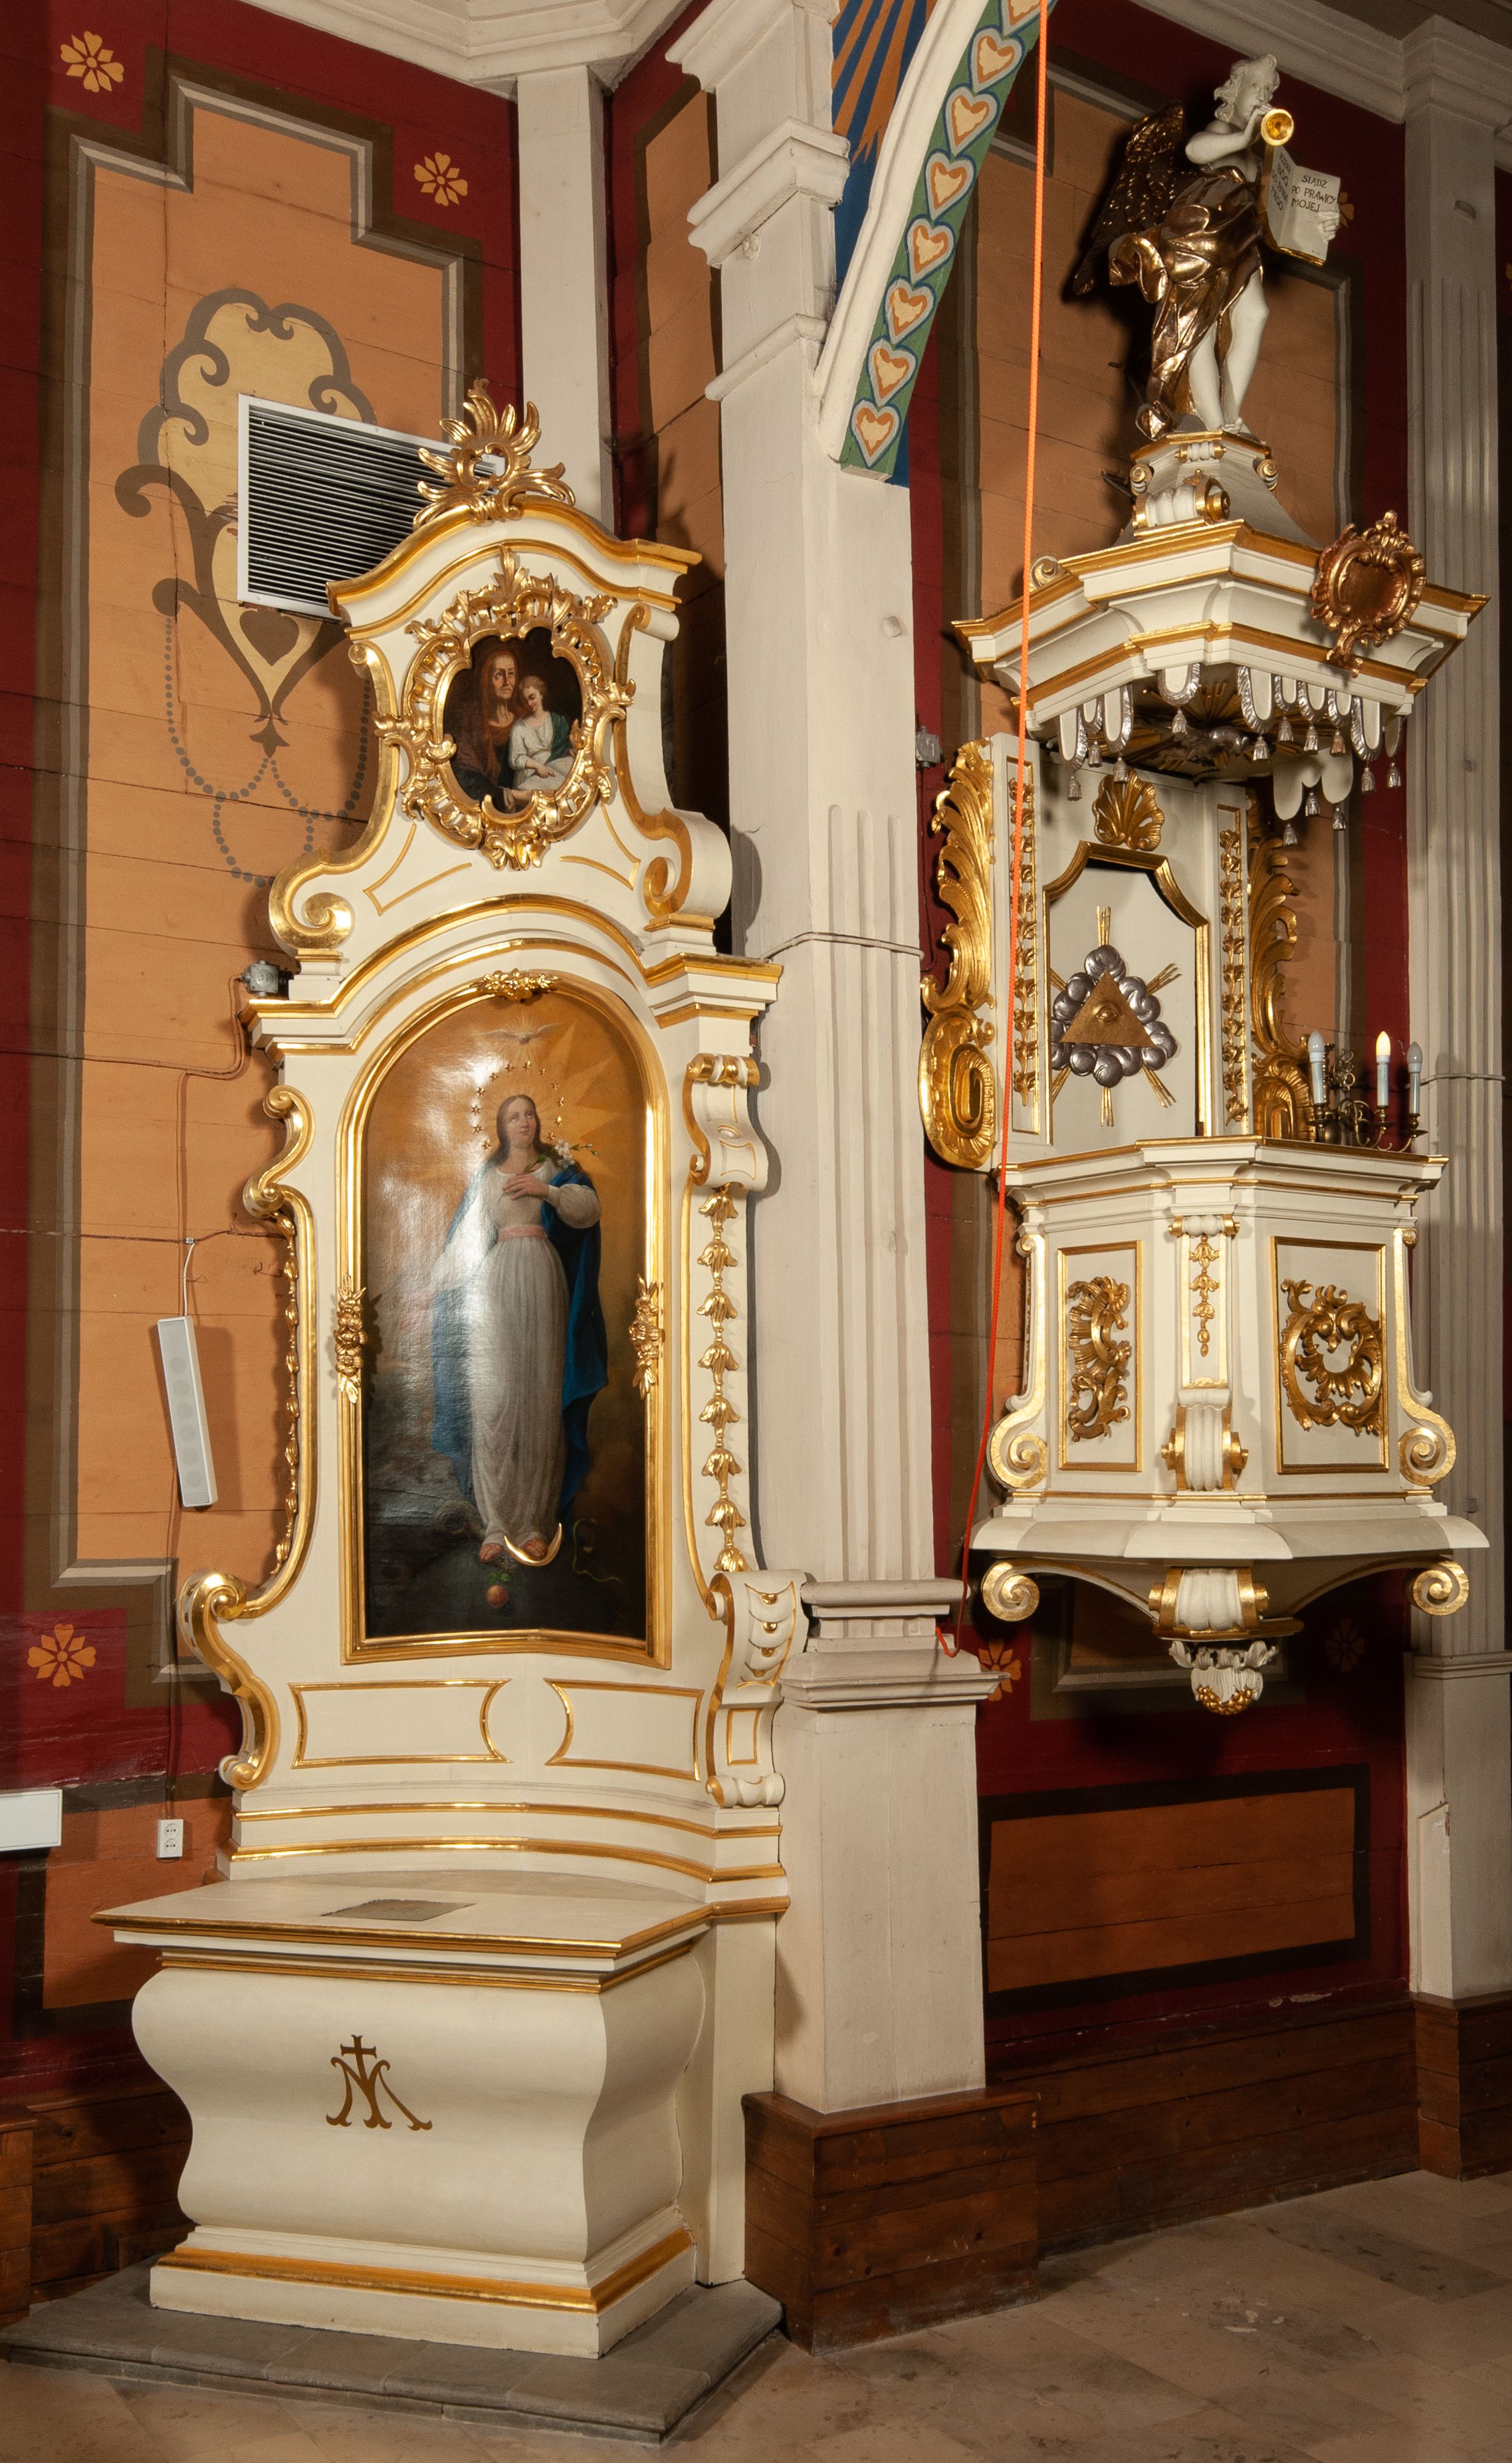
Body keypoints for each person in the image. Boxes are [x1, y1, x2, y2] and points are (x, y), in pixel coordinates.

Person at [428, 1095, 606, 1562]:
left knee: (539, 1399)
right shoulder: (487, 1177)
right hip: (496, 1284)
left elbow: (588, 1211)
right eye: (513, 1116)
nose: (523, 1121)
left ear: (537, 1121)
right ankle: (495, 1524)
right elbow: (467, 1242)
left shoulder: (556, 1168)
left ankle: (533, 1524)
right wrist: (428, 1289)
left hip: (544, 1281)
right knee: (494, 1401)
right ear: (501, 1126)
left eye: (529, 1114)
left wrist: (546, 1191)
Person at [448, 641, 520, 807]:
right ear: (486, 680)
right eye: (499, 675)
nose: (507, 682)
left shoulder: (526, 720)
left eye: (511, 674)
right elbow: (466, 777)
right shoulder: (470, 723)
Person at [506, 671, 575, 800]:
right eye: (525, 701)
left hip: (554, 768)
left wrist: (570, 750)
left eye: (532, 697)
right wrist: (537, 766)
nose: (529, 703)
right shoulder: (519, 728)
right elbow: (515, 759)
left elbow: (564, 746)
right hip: (530, 773)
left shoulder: (557, 721)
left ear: (541, 694)